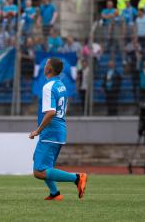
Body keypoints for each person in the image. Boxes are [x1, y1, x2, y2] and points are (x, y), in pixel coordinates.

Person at [29, 58, 87, 201]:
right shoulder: (61, 85)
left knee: (39, 171)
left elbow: (50, 112)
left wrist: (38, 130)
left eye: (46, 64)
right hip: (58, 130)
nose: (44, 66)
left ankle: (77, 178)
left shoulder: (48, 87)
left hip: (51, 131)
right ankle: (55, 193)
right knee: (40, 162)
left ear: (49, 69)